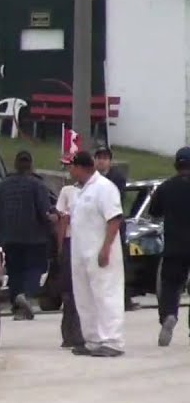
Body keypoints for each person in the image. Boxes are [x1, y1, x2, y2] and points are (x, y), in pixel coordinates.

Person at [66, 150, 126, 357]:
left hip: (101, 253)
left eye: (71, 166)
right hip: (82, 254)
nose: (69, 170)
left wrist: (106, 248)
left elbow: (114, 219)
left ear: (82, 167)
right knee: (85, 297)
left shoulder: (104, 188)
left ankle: (112, 340)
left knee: (106, 295)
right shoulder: (78, 191)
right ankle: (92, 339)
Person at [0, 151, 53, 320]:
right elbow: (45, 211)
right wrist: (50, 228)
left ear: (15, 165)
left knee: (15, 271)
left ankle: (18, 306)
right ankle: (27, 295)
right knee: (35, 268)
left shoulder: (2, 186)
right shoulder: (38, 185)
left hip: (9, 237)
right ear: (31, 165)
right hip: (35, 237)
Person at [149, 146, 190, 346]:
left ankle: (169, 315)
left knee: (170, 286)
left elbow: (154, 212)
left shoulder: (165, 187)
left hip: (174, 247)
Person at [96, 146, 136, 311]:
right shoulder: (92, 177)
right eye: (99, 157)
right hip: (97, 227)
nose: (101, 161)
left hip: (115, 223)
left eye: (105, 158)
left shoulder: (116, 178)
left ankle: (124, 299)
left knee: (119, 263)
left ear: (110, 161)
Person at [54, 180, 84, 348]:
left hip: (82, 243)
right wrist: (60, 247)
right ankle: (71, 333)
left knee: (77, 291)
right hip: (71, 243)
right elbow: (63, 221)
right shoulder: (68, 191)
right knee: (71, 290)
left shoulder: (95, 189)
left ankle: (74, 332)